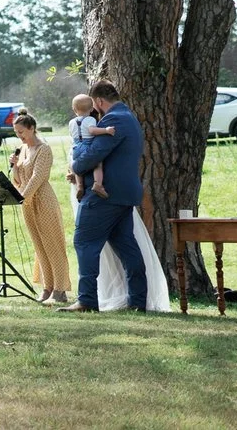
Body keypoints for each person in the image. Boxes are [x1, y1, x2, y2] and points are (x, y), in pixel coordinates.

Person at [64, 80, 148, 314]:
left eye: (94, 104)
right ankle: (138, 300)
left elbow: (93, 154)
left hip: (105, 196)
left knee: (84, 242)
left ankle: (87, 300)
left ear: (99, 101)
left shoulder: (114, 120)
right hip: (124, 194)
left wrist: (75, 165)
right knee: (126, 245)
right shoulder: (129, 117)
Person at [7, 113, 70, 305]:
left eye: (21, 132)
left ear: (32, 128)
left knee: (53, 244)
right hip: (27, 202)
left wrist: (23, 196)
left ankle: (60, 289)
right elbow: (18, 180)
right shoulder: (23, 149)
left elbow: (38, 177)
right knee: (39, 246)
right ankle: (47, 287)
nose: (19, 136)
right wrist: (15, 166)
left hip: (43, 200)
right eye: (16, 132)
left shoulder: (44, 149)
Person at [67, 93, 111, 201]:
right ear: (91, 109)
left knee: (77, 166)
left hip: (76, 147)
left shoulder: (71, 122)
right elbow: (92, 131)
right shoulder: (90, 119)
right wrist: (106, 130)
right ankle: (98, 184)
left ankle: (79, 186)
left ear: (74, 109)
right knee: (97, 164)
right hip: (87, 145)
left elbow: (72, 135)